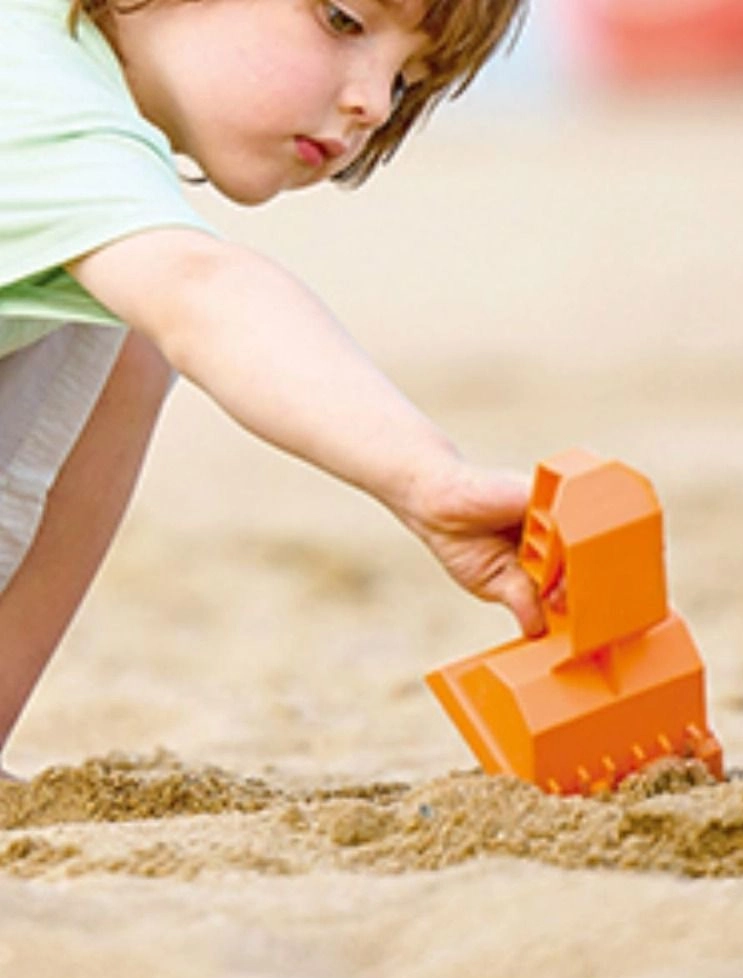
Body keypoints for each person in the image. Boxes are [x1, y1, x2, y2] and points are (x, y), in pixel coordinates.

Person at [0, 0, 543, 775]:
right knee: (151, 291)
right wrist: (427, 478)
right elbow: (204, 292)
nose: (374, 103)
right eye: (343, 20)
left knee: (125, 316)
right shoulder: (25, 75)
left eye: (404, 79)